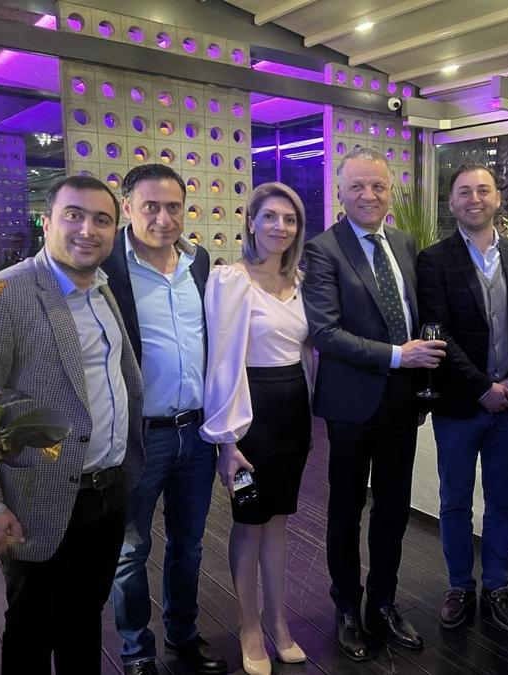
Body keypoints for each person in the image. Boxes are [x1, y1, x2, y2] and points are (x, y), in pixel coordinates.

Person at [0, 175, 145, 674]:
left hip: (106, 490)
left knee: (84, 620)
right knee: (31, 632)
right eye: (73, 215)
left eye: (102, 220)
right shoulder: (2, 293)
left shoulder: (101, 289)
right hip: (35, 496)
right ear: (47, 221)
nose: (88, 230)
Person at [302, 147, 447, 661]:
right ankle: (346, 607)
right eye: (358, 186)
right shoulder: (323, 250)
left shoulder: (404, 243)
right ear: (340, 192)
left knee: (393, 509)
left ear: (390, 192)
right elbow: (325, 333)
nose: (369, 195)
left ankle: (383, 602)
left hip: (403, 402)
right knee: (345, 511)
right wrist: (399, 355)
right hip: (351, 405)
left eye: (378, 186)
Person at [100, 164, 226, 675]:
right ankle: (136, 650)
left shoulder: (199, 263)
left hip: (195, 433)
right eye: (150, 206)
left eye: (174, 206)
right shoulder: (107, 264)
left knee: (189, 545)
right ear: (127, 207)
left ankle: (183, 633)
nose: (163, 217)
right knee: (131, 550)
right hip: (138, 436)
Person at [415, 162, 508, 632]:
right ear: (452, 202)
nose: (474, 199)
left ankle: (497, 586)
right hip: (458, 406)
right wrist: (481, 387)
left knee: (503, 502)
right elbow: (437, 330)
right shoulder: (434, 260)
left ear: (497, 199)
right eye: (465, 191)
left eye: (483, 190)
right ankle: (458, 586)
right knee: (454, 502)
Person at [199, 182, 314, 675]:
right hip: (249, 418)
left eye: (289, 219)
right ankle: (249, 627)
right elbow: (222, 363)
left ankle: (279, 622)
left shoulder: (301, 281)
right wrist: (227, 442)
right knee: (249, 523)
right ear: (250, 221)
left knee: (279, 521)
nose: (279, 227)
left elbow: (307, 352)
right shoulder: (230, 280)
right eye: (269, 216)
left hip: (294, 416)